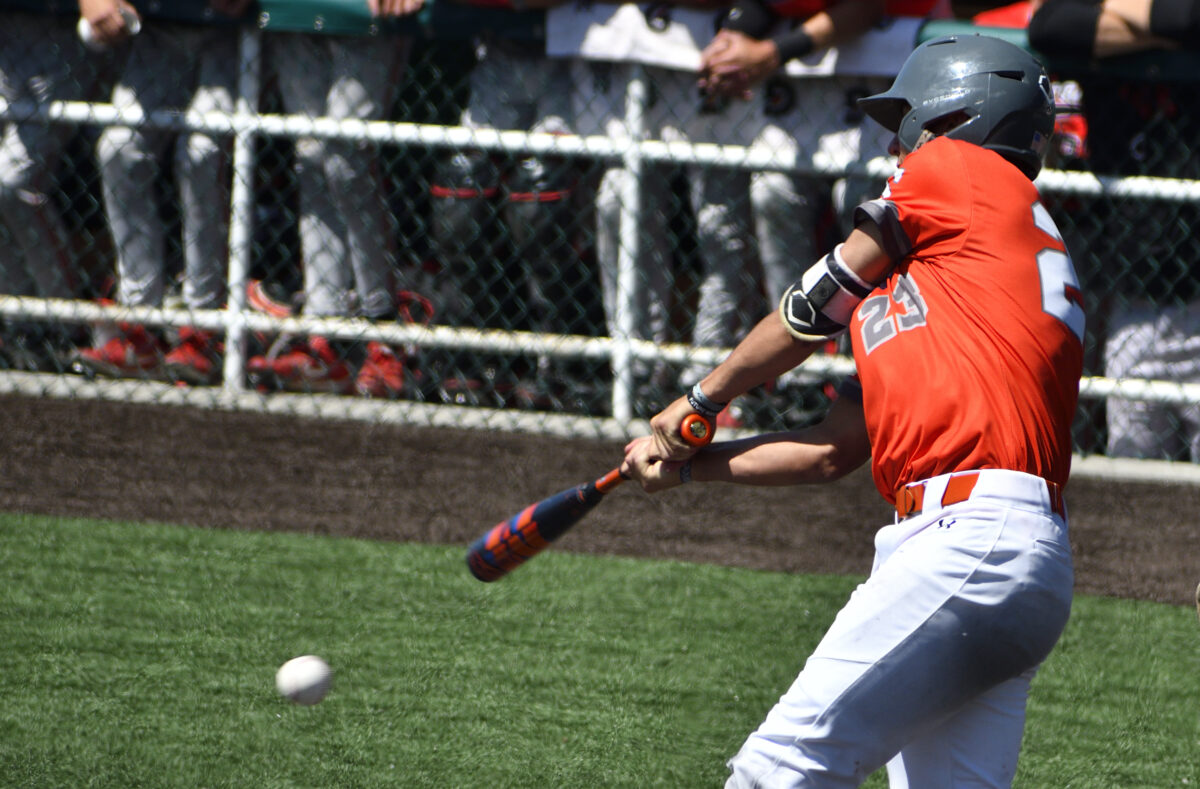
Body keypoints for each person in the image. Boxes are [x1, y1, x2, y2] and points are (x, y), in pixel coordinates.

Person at [621, 34, 1084, 787]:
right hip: (1010, 554)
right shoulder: (968, 274)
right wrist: (691, 466)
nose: (903, 148)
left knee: (778, 768)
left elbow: (810, 309)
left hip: (968, 538)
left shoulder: (961, 171)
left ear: (959, 113)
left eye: (911, 125)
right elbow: (832, 449)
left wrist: (702, 398)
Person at [1029, 0, 1200, 460]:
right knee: (1134, 470)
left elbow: (1190, 17)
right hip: (1137, 295)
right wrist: (1167, 33)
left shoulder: (1118, 22)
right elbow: (1050, 27)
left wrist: (1126, 24)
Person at [70, 0, 253, 384]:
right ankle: (139, 323)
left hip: (232, 34)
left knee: (201, 155)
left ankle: (203, 326)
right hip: (159, 31)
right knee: (118, 149)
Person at [248, 0, 421, 398]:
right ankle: (322, 334)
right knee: (310, 157)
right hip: (295, 13)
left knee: (346, 156)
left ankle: (384, 328)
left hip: (369, 15)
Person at [426, 0, 588, 408]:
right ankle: (483, 353)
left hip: (578, 61)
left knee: (539, 201)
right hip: (495, 54)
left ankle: (563, 361)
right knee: (460, 200)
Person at [0, 0, 122, 370]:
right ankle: (18, 319)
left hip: (59, 30)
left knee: (12, 182)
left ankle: (67, 320)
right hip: (8, 30)